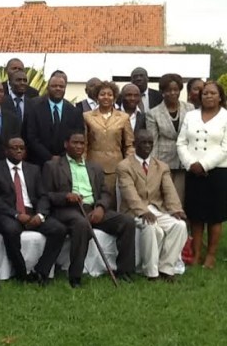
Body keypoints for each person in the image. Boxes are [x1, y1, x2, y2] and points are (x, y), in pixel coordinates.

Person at [43, 131, 136, 288]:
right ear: (66, 144)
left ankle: (124, 271)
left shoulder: (94, 167)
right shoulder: (52, 166)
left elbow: (106, 193)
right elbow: (46, 194)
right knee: (81, 224)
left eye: (82, 143)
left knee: (127, 222)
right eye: (75, 143)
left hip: (93, 208)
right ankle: (75, 276)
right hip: (68, 209)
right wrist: (66, 196)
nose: (79, 146)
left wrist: (100, 207)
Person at [0, 137, 66, 285]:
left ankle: (41, 271)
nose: (18, 150)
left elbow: (43, 195)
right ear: (6, 151)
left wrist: (41, 215)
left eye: (22, 148)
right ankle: (21, 273)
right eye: (14, 147)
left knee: (59, 229)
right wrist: (17, 215)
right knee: (11, 231)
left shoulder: (34, 169)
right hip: (9, 214)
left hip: (32, 213)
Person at [117, 130, 187, 282]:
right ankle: (151, 272)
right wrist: (143, 212)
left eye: (150, 142)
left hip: (157, 209)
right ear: (135, 145)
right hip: (133, 211)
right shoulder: (124, 166)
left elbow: (169, 190)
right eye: (143, 142)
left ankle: (166, 268)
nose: (147, 146)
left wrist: (176, 209)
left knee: (180, 226)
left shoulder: (161, 166)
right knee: (151, 226)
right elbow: (130, 194)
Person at [177, 81, 227, 269]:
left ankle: (211, 255)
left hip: (217, 171)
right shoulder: (190, 116)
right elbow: (181, 143)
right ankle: (196, 254)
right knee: (196, 215)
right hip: (193, 172)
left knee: (214, 215)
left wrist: (205, 165)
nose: (208, 96)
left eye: (213, 93)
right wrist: (191, 164)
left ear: (220, 96)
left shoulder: (225, 117)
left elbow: (225, 147)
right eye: (205, 93)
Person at [83, 81, 134, 208]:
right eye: (102, 94)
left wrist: (129, 164)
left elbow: (129, 144)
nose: (106, 97)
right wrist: (82, 164)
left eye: (109, 94)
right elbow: (84, 143)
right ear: (96, 97)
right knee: (93, 199)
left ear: (115, 97)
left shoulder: (123, 117)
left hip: (115, 166)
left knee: (113, 201)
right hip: (93, 164)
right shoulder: (87, 116)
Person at [146, 73, 194, 203]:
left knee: (182, 198)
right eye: (168, 90)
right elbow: (153, 142)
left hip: (185, 161)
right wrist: (154, 166)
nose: (172, 93)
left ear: (180, 90)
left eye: (175, 90)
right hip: (164, 161)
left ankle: (183, 223)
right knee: (164, 198)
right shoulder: (153, 113)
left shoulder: (190, 109)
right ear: (162, 91)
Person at [24, 70, 84, 166]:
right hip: (38, 163)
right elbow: (31, 137)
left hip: (65, 164)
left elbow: (77, 138)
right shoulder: (34, 106)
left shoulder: (74, 111)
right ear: (48, 87)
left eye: (61, 87)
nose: (58, 89)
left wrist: (62, 158)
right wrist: (49, 157)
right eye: (54, 86)